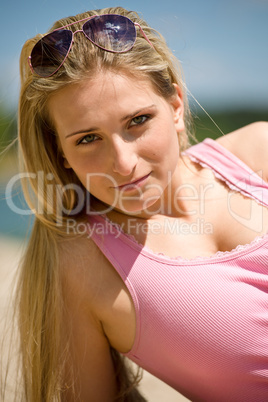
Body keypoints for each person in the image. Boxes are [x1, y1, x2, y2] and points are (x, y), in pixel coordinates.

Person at [4, 5, 268, 401]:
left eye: (138, 121)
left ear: (176, 105)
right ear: (59, 152)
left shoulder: (258, 152)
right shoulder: (81, 263)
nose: (124, 164)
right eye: (87, 139)